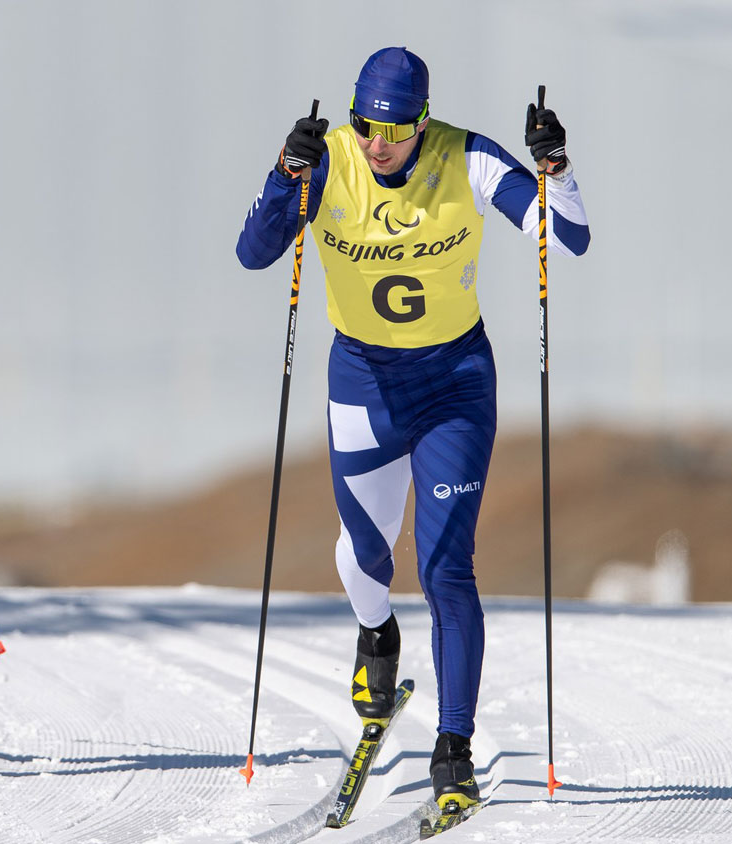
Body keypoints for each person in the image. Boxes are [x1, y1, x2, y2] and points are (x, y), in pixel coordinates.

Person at [235, 47, 589, 813]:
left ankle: (453, 750)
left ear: (422, 120)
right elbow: (253, 253)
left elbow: (566, 241)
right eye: (365, 125)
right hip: (363, 382)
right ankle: (376, 637)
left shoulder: (466, 157)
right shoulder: (330, 161)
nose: (377, 143)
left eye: (393, 129)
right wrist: (283, 174)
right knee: (366, 553)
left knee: (445, 568)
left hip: (454, 384)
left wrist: (556, 169)